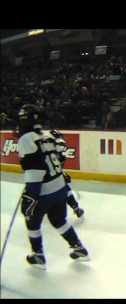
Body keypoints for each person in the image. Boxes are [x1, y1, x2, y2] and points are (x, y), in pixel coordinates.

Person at [16, 104, 89, 270]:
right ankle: (79, 248)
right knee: (59, 220)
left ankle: (38, 255)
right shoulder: (48, 135)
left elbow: (35, 169)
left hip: (44, 191)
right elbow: (59, 159)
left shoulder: (26, 139)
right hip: (60, 187)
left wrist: (30, 195)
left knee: (32, 223)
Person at [49, 130, 85, 219]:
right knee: (66, 190)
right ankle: (76, 208)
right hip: (54, 178)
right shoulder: (61, 156)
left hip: (49, 178)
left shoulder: (51, 153)